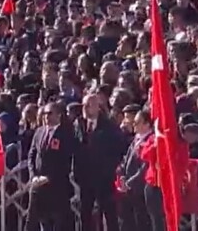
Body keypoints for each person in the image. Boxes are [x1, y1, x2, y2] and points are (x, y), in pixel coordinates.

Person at [74, 94, 126, 231]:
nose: (85, 109)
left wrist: (110, 168)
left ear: (98, 107)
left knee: (109, 213)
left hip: (104, 178)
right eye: (83, 106)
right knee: (85, 214)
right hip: (85, 178)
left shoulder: (109, 126)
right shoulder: (78, 124)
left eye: (89, 105)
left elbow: (119, 148)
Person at [26, 102, 78, 231]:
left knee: (58, 222)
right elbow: (32, 155)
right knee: (37, 220)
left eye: (49, 114)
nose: (46, 117)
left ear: (59, 115)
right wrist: (33, 176)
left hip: (57, 187)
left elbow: (65, 160)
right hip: (38, 186)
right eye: (44, 114)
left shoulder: (66, 134)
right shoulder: (39, 132)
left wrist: (49, 177)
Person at [119, 109, 152, 231]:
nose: (134, 125)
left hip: (140, 189)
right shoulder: (135, 140)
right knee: (128, 222)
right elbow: (126, 160)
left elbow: (144, 167)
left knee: (141, 222)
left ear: (147, 124)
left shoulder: (150, 140)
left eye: (137, 122)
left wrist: (129, 183)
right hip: (129, 189)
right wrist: (122, 176)